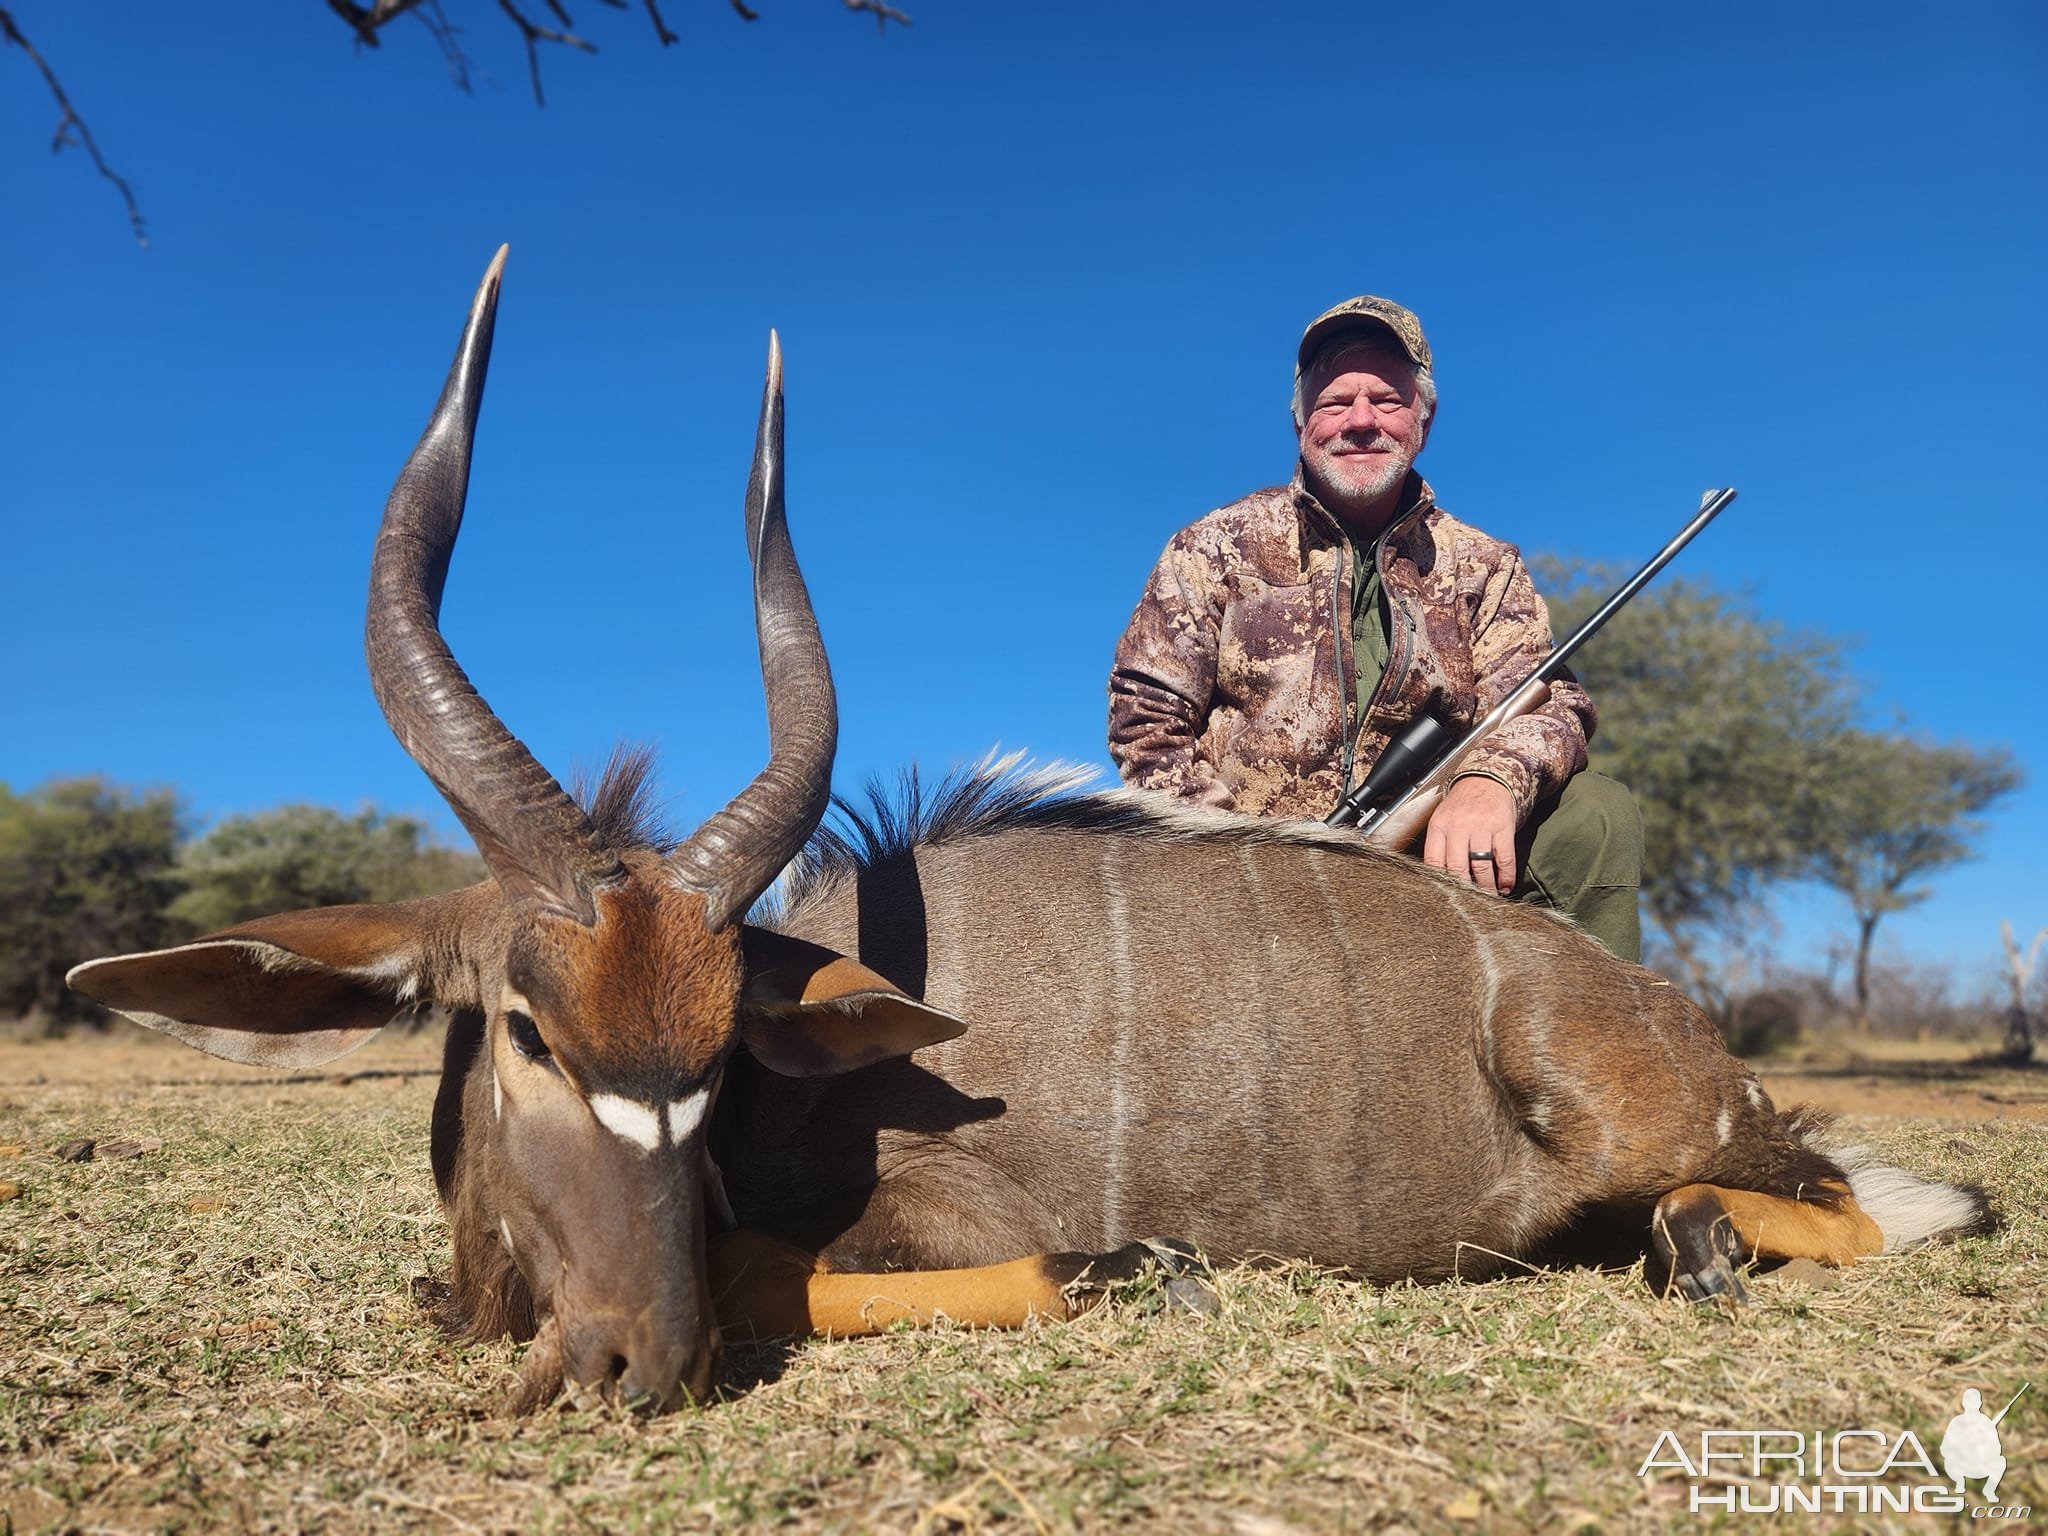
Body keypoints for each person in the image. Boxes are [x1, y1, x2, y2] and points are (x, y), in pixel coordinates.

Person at [1106, 295, 1644, 962]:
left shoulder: (1485, 565)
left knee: (1596, 812)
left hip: (1428, 853)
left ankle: (1589, 1049)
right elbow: (1146, 719)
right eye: (1336, 402)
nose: (1360, 421)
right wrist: (1239, 858)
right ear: (1301, 421)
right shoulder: (1213, 546)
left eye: (1386, 400)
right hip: (1251, 870)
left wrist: (1490, 782)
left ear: (1423, 419)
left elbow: (1550, 700)